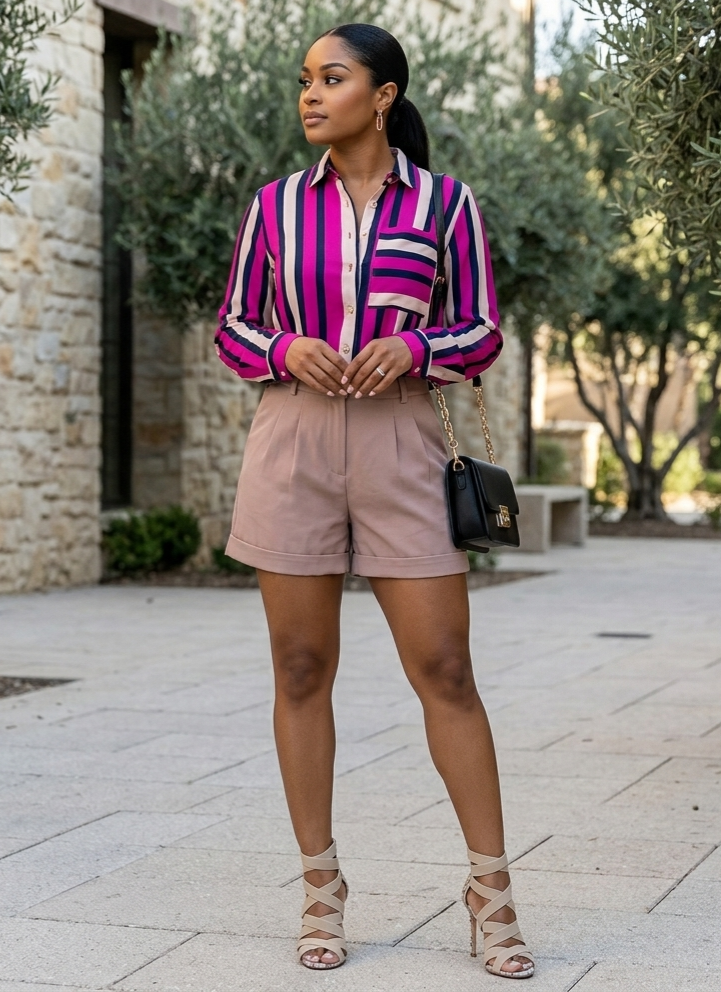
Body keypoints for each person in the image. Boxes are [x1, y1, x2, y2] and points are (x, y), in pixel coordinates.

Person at [215, 22, 534, 980]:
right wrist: (284, 348)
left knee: (446, 670)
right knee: (300, 667)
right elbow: (233, 326)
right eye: (305, 80)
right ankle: (321, 887)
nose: (311, 95)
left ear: (383, 95)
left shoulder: (445, 204)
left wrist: (417, 346)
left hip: (402, 441)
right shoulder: (275, 207)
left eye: (332, 78)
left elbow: (482, 328)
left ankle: (491, 893)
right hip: (294, 438)